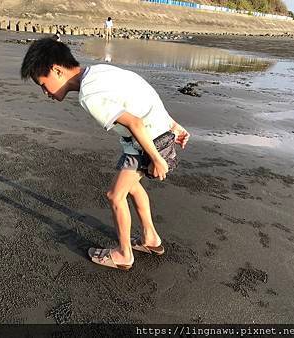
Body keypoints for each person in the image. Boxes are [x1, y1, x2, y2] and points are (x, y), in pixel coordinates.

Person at [20, 38, 190, 271]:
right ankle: (150, 238)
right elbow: (142, 92)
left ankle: (123, 255)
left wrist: (158, 159)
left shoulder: (89, 96)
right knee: (132, 187)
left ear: (56, 70)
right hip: (152, 135)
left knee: (114, 195)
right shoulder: (98, 71)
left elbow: (135, 123)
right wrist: (172, 125)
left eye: (42, 84)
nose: (44, 92)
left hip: (145, 142)